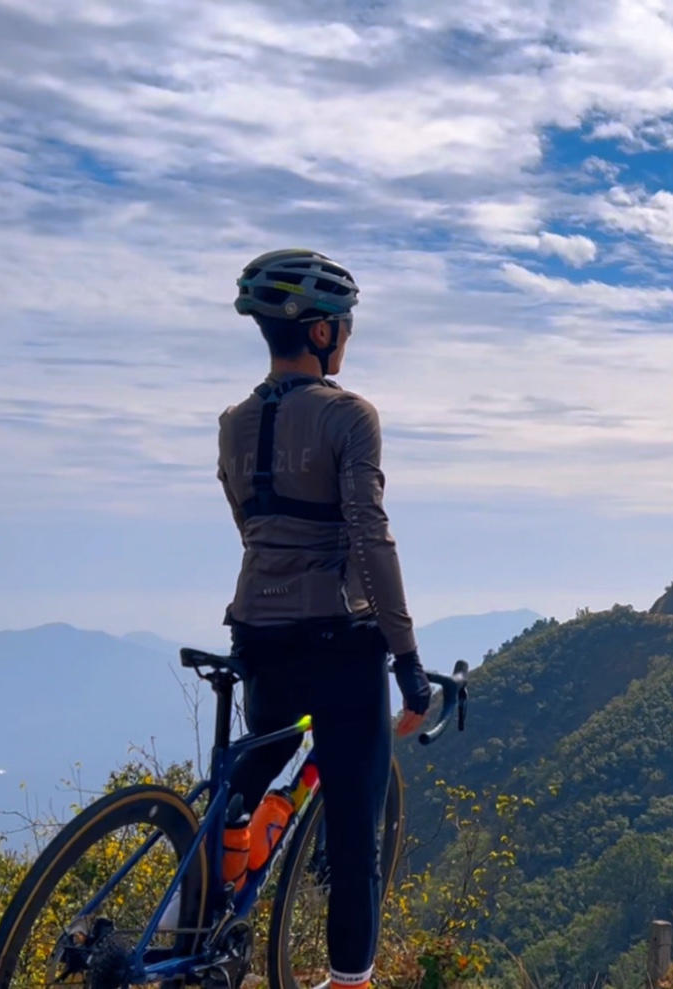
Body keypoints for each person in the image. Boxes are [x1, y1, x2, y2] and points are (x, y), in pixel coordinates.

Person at [202, 248, 432, 989]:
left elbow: (250, 525)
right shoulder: (348, 416)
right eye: (347, 324)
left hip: (257, 632)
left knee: (257, 761)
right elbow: (370, 536)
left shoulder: (233, 422)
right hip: (339, 639)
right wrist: (406, 659)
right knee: (355, 834)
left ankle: (229, 854)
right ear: (324, 332)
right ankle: (349, 979)